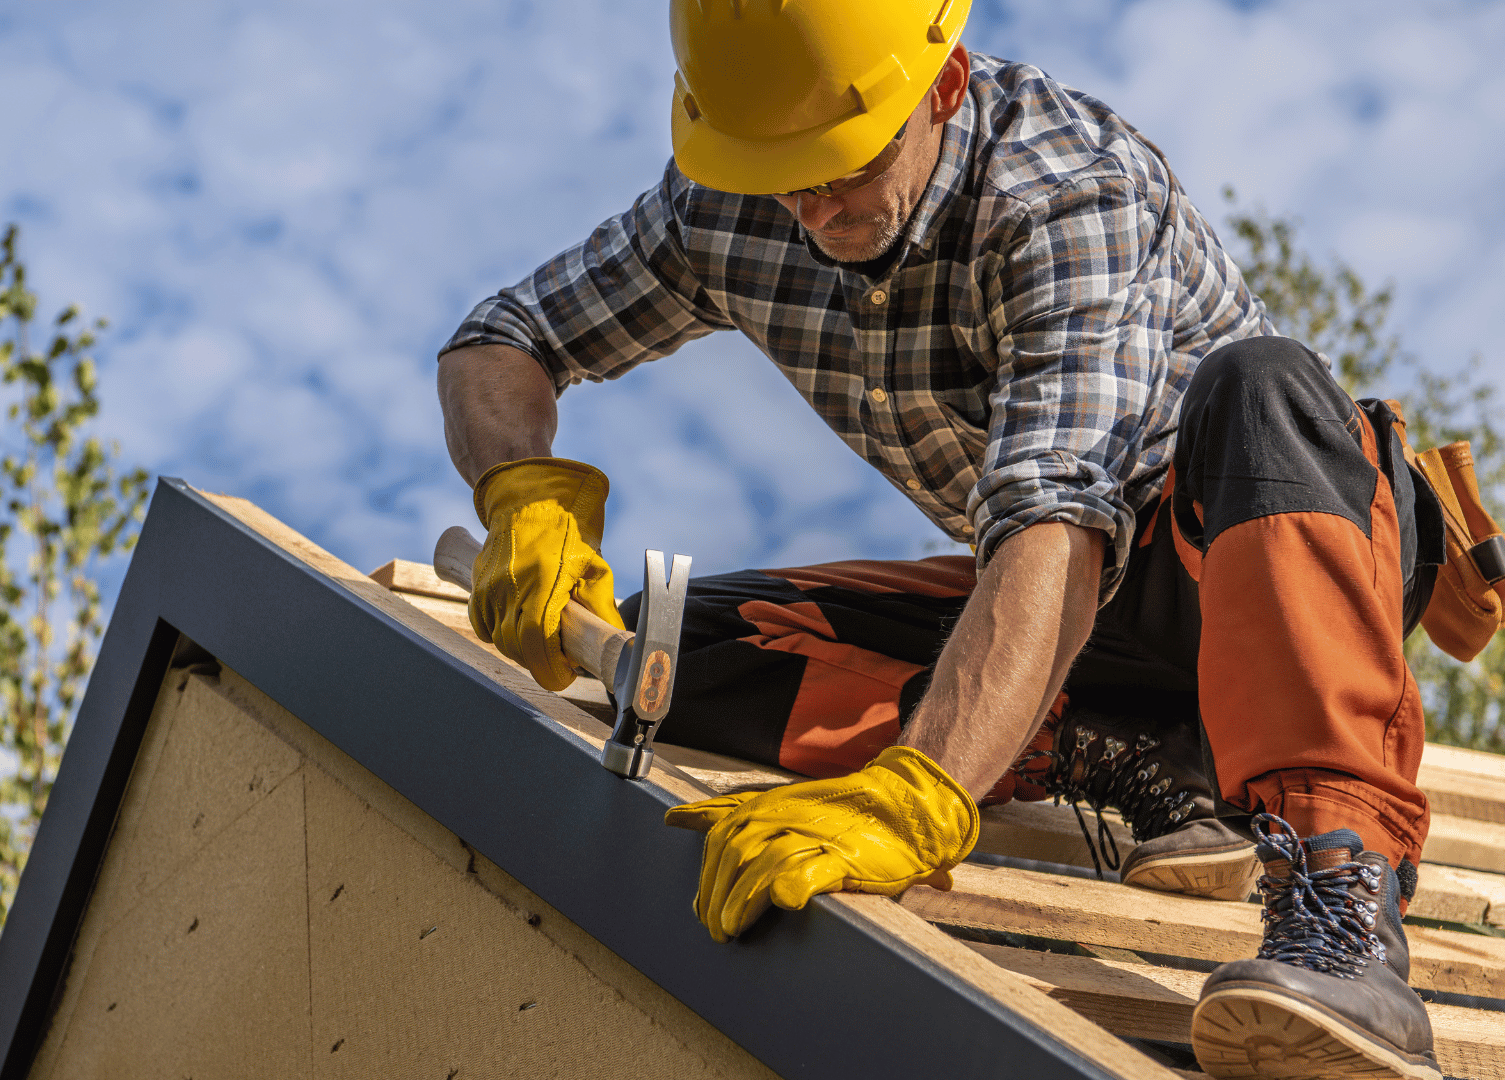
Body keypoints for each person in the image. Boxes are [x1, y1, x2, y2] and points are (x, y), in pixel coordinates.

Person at [436, 2, 1441, 1076]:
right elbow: (504, 340)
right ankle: (1141, 753)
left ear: (944, 88)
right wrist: (522, 493)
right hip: (1072, 607)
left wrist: (929, 788)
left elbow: (1059, 515)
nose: (812, 206)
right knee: (679, 649)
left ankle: (1342, 911)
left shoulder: (1064, 191)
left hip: (1258, 559)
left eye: (841, 165)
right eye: (782, 172)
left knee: (1265, 384)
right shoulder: (727, 203)